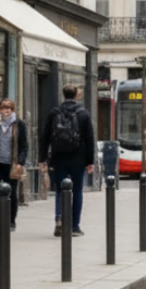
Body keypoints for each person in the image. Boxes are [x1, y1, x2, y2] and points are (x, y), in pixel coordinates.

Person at [40, 84, 95, 237]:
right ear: (76, 95)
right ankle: (75, 226)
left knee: (60, 189)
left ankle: (59, 218)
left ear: (63, 95)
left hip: (58, 157)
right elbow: (89, 138)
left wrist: (42, 158)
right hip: (78, 158)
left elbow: (45, 137)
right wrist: (90, 161)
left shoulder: (54, 112)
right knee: (77, 191)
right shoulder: (83, 113)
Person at [0, 99, 28, 231]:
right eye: (4, 108)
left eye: (9, 108)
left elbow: (24, 146)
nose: (6, 110)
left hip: (12, 164)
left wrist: (20, 162)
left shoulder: (19, 124)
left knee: (11, 192)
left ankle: (11, 220)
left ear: (12, 110)